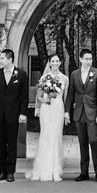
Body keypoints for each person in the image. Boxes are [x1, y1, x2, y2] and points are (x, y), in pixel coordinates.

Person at [64, 48, 97, 182]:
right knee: (82, 143)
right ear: (81, 59)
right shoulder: (74, 74)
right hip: (79, 113)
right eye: (86, 59)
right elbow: (71, 93)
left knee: (94, 141)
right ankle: (84, 172)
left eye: (90, 59)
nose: (89, 61)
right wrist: (67, 112)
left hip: (93, 112)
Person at [0, 48, 29, 182]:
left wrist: (23, 113)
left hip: (14, 115)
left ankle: (11, 172)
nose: (1, 60)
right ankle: (2, 172)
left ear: (10, 59)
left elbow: (25, 96)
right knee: (1, 144)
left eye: (2, 58)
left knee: (12, 144)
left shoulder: (21, 74)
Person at [26, 53, 68, 181]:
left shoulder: (65, 78)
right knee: (46, 137)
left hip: (58, 109)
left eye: (57, 61)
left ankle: (56, 170)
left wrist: (66, 113)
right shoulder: (44, 78)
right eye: (52, 61)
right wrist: (44, 101)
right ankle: (43, 169)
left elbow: (65, 98)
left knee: (56, 137)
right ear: (49, 63)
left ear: (60, 63)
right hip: (46, 109)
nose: (55, 63)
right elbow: (38, 96)